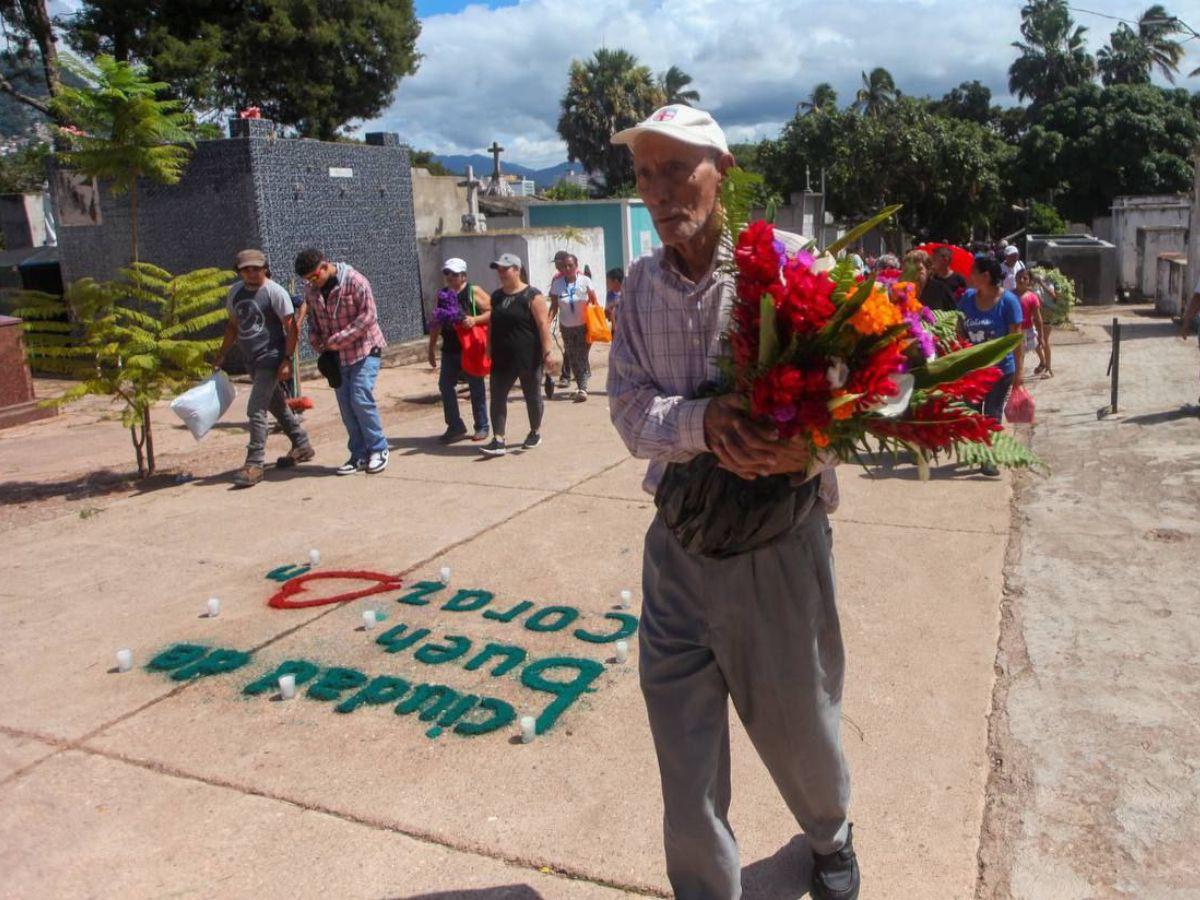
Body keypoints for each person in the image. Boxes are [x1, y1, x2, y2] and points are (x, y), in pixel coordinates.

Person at [608, 104, 859, 900]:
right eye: (644, 174)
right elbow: (628, 411)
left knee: (800, 726)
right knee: (682, 758)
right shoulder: (638, 287)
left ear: (724, 172)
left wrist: (809, 448)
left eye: (676, 168)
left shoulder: (793, 265)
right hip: (676, 550)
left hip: (776, 550)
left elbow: (858, 395)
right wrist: (705, 423)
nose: (658, 190)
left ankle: (830, 836)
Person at [213, 249, 314, 487]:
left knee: (255, 410)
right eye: (246, 269)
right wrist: (222, 353)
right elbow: (233, 326)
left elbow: (291, 328)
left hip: (271, 358)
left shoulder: (274, 292)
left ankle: (254, 464)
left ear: (265, 268)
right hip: (251, 360)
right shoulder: (235, 293)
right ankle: (301, 444)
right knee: (276, 405)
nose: (252, 273)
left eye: (256, 268)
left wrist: (287, 359)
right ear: (239, 272)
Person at [294, 247, 390, 475]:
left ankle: (379, 449)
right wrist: (315, 339)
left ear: (325, 265)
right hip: (337, 358)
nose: (312, 282)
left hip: (365, 349)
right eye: (307, 280)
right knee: (346, 407)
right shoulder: (311, 291)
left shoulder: (355, 281)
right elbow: (314, 321)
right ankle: (359, 454)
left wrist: (338, 339)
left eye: (314, 277)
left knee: (360, 397)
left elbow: (368, 316)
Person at [481, 253, 553, 456]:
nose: (501, 273)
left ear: (517, 270)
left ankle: (535, 432)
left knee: (532, 396)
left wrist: (547, 352)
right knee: (497, 396)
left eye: (505, 269)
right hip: (502, 357)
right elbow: (492, 322)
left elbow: (543, 325)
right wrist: (488, 347)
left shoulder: (532, 296)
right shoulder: (496, 296)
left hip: (528, 357)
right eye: (499, 269)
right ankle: (498, 439)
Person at [959, 256, 1024, 476]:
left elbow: (1016, 340)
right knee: (971, 413)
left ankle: (989, 457)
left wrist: (1019, 374)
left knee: (992, 414)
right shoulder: (967, 298)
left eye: (973, 272)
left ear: (985, 276)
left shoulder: (1009, 302)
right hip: (972, 370)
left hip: (1000, 370)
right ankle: (978, 450)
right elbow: (959, 328)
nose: (970, 276)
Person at [428, 257, 491, 443]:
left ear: (464, 276)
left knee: (476, 386)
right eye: (447, 273)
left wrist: (474, 320)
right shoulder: (442, 295)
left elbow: (493, 312)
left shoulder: (473, 291)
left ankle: (482, 426)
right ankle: (455, 425)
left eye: (454, 274)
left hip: (470, 347)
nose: (450, 277)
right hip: (450, 348)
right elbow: (436, 322)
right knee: (445, 385)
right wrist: (431, 348)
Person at [548, 250, 602, 402]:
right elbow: (554, 306)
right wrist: (546, 323)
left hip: (584, 325)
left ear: (576, 266)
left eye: (570, 265)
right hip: (566, 327)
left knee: (582, 355)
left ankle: (583, 388)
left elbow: (594, 301)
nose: (567, 269)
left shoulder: (585, 281)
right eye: (565, 266)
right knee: (572, 356)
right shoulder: (557, 284)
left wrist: (598, 320)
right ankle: (581, 383)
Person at [1015, 268, 1048, 378]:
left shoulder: (1032, 297)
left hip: (1028, 328)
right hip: (1014, 330)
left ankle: (1043, 361)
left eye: (1025, 278)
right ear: (1015, 279)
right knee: (1020, 353)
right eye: (1019, 277)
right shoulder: (1009, 296)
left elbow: (1038, 318)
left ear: (1029, 281)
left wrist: (1041, 336)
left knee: (1036, 345)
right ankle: (1018, 376)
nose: (1022, 280)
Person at [921, 246, 968, 312]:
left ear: (945, 260)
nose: (931, 262)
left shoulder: (959, 280)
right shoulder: (932, 278)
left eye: (934, 259)